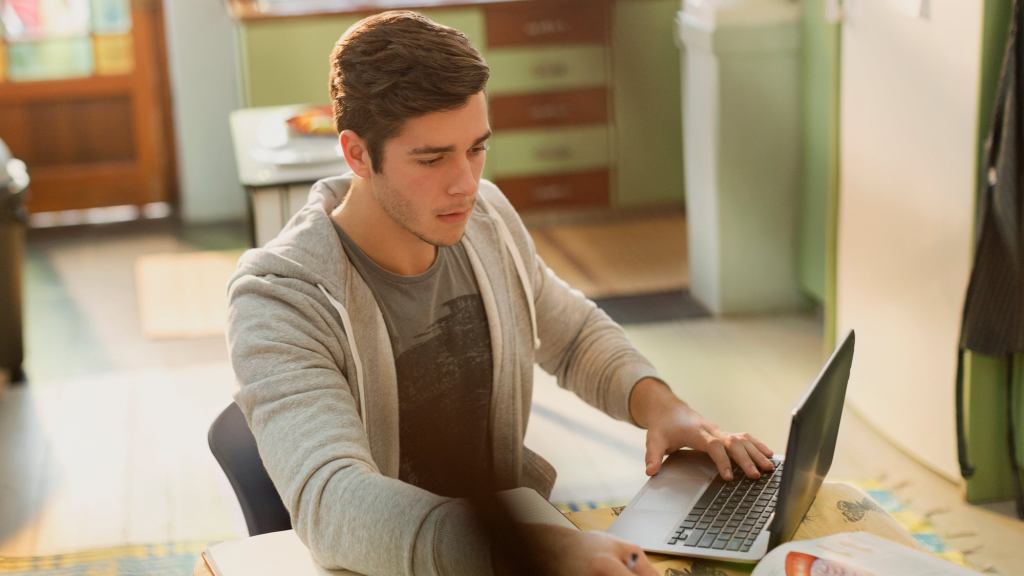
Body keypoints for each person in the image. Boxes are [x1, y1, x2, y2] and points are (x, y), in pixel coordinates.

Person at [226, 10, 775, 576]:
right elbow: (332, 501)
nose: (465, 182)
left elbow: (573, 336)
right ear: (357, 154)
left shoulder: (487, 217)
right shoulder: (278, 300)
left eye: (476, 148)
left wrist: (666, 408)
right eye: (433, 158)